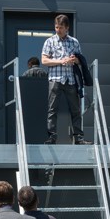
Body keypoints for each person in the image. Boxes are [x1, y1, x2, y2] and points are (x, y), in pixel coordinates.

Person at [41, 14, 89, 145]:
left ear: (67, 28)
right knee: (52, 109)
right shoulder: (49, 41)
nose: (58, 30)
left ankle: (78, 137)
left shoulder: (74, 42)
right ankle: (52, 137)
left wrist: (74, 60)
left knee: (76, 110)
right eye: (56, 27)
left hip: (71, 80)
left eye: (61, 27)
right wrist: (61, 61)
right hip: (55, 79)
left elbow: (80, 60)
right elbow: (44, 60)